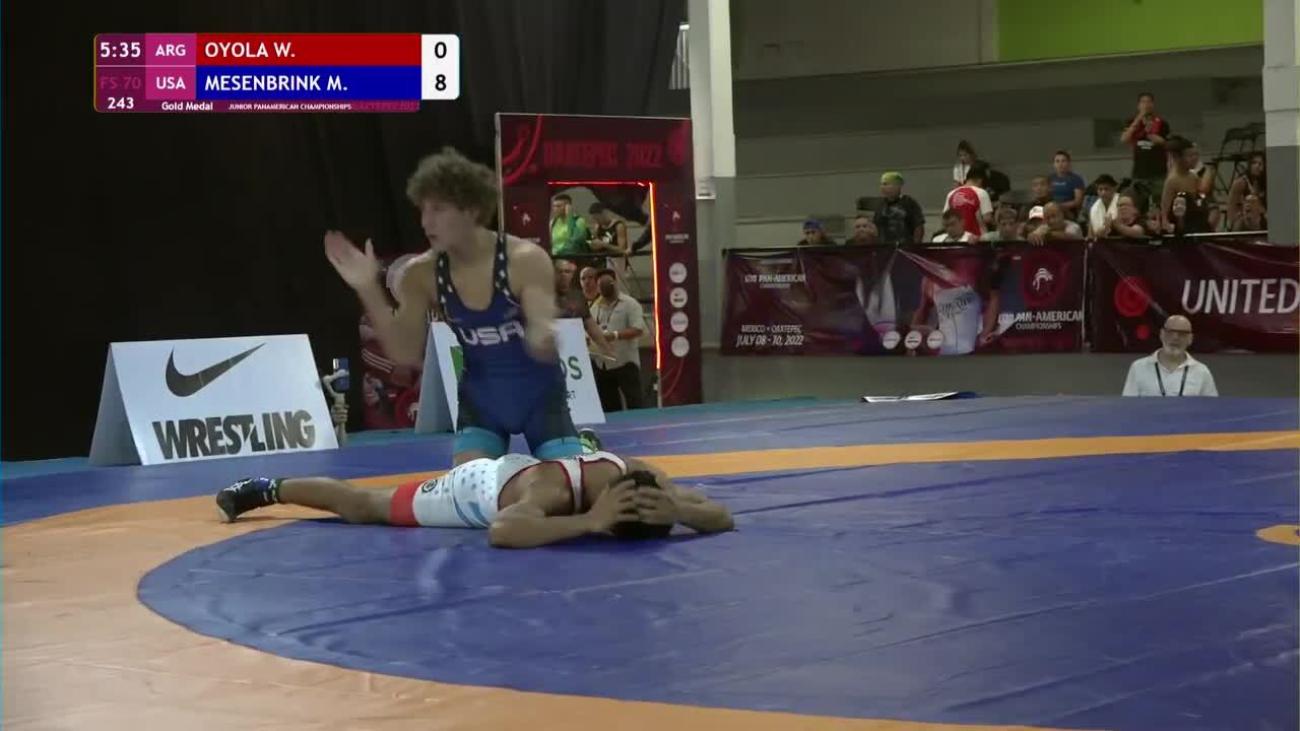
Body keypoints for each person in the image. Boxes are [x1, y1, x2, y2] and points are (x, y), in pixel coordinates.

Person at [323, 148, 596, 466]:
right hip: (481, 405)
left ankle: (584, 445)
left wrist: (541, 333)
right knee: (468, 488)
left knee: (568, 487)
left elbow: (541, 331)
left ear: (472, 210)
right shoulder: (421, 274)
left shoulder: (524, 259)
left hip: (541, 401)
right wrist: (367, 288)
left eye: (438, 209)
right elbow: (404, 353)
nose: (426, 222)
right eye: (423, 210)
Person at [214, 449, 735, 549]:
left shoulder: (644, 478)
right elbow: (503, 531)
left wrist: (680, 512)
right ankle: (266, 487)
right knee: (363, 506)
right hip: (479, 490)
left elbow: (722, 516)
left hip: (523, 471)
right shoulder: (551, 491)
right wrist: (589, 523)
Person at [591, 268, 646, 411]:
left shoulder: (630, 304)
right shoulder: (594, 307)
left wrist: (615, 335)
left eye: (608, 284)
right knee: (610, 407)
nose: (605, 288)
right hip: (603, 364)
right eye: (601, 285)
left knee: (635, 403)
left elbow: (638, 329)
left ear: (615, 283)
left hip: (625, 362)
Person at [1122, 315, 1218, 397]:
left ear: (1190, 339)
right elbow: (1128, 406)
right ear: (1161, 334)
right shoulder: (1138, 368)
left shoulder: (1202, 372)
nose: (1175, 338)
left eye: (1182, 334)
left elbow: (1212, 408)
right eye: (1170, 332)